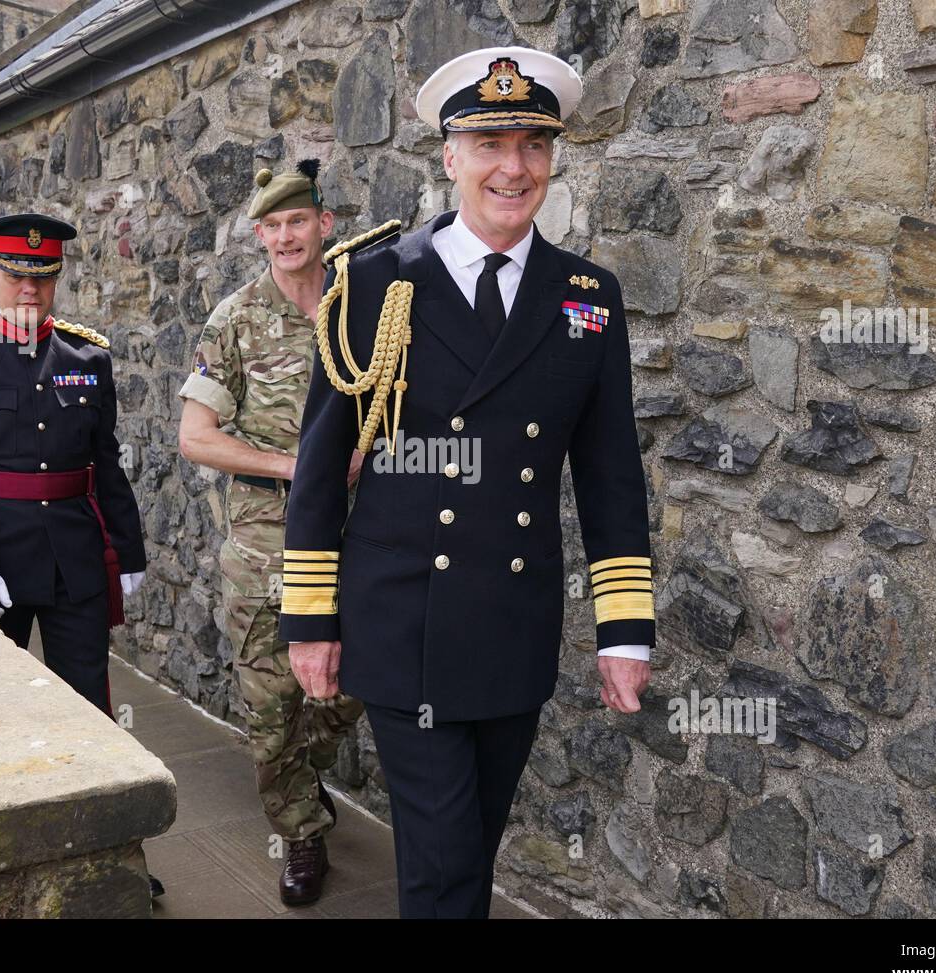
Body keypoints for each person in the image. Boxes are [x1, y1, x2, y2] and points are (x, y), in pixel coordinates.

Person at [279, 47, 656, 918]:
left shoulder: (586, 296)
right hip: (403, 614)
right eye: (489, 141)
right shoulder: (374, 281)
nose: (512, 167)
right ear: (449, 155)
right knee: (445, 866)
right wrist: (310, 616)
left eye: (532, 144)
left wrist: (624, 629)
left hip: (513, 627)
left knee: (469, 848)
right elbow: (322, 465)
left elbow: (609, 475)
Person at [0, 213, 161, 900]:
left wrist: (128, 545)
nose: (31, 289)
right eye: (17, 276)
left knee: (90, 706)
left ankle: (108, 849)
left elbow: (104, 464)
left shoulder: (89, 358)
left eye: (43, 277)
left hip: (76, 558)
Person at [177, 161, 365, 907]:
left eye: (299, 221)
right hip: (266, 547)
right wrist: (299, 466)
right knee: (269, 703)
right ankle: (300, 834)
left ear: (324, 224)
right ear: (259, 235)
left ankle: (302, 777)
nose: (287, 236)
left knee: (347, 689)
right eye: (273, 226)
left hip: (358, 542)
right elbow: (197, 436)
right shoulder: (236, 319)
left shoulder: (362, 312)